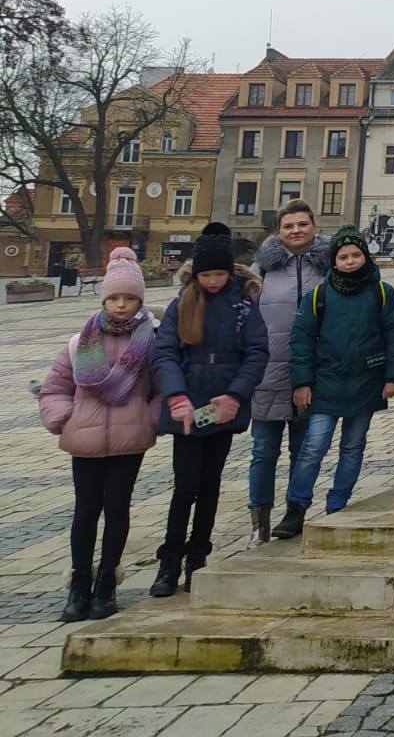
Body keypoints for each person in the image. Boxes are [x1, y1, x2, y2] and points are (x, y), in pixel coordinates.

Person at [38, 247, 160, 621]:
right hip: (85, 438)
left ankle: (107, 583)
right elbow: (54, 388)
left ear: (139, 300)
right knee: (86, 509)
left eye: (129, 298)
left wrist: (148, 418)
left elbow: (162, 390)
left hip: (129, 438)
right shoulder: (80, 341)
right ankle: (79, 584)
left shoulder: (151, 341)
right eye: (114, 297)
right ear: (104, 299)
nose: (121, 305)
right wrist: (65, 418)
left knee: (117, 508)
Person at [149, 222, 269, 596]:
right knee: (185, 486)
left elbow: (256, 353)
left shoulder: (243, 305)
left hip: (222, 407)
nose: (213, 281)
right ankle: (170, 560)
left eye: (219, 274)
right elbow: (164, 353)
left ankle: (198, 556)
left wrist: (235, 396)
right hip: (188, 405)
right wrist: (175, 395)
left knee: (210, 484)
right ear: (196, 274)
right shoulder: (181, 303)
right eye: (206, 275)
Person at [273, 226, 394, 537]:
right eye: (343, 257)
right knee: (313, 446)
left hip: (367, 381)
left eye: (355, 255)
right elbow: (301, 341)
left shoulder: (382, 293)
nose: (350, 261)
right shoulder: (318, 296)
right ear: (334, 261)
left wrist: (393, 377)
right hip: (327, 382)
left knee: (353, 446)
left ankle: (338, 504)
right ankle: (296, 507)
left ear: (365, 257)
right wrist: (302, 382)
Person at [248, 200, 330, 545]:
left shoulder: (328, 266)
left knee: (305, 449)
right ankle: (259, 520)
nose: (296, 230)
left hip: (313, 372)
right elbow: (245, 317)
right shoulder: (261, 269)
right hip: (267, 371)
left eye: (302, 224)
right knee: (263, 450)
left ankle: (295, 511)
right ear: (278, 231)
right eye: (288, 226)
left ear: (314, 227)